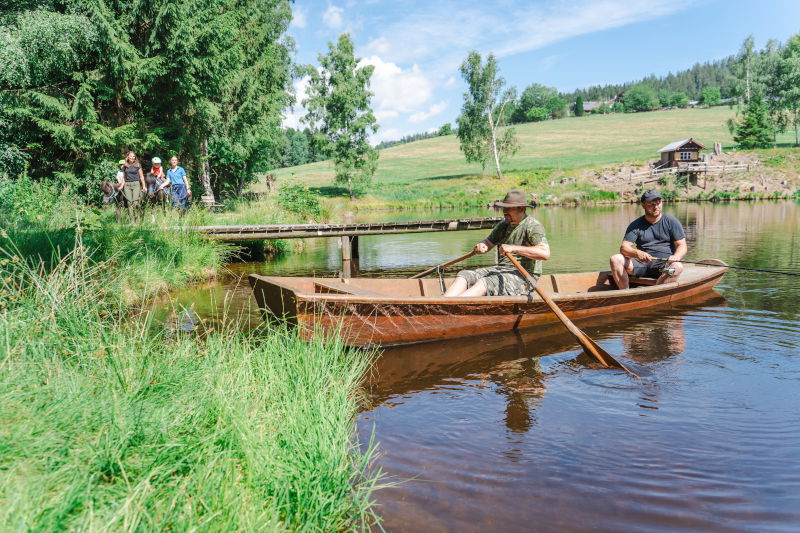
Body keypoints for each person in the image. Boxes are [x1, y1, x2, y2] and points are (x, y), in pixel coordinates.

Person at [444, 189, 550, 297]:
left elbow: (544, 253)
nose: (504, 211)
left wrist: (513, 248)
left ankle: (451, 307)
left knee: (485, 282)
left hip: (525, 277)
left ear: (521, 208)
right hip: (500, 269)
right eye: (503, 208)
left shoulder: (533, 226)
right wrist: (482, 245)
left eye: (508, 208)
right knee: (464, 275)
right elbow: (488, 242)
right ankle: (442, 304)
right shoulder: (503, 225)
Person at [609, 189, 687, 289]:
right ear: (643, 205)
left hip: (664, 267)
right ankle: (625, 293)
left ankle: (656, 294)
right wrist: (637, 253)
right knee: (615, 259)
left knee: (677, 267)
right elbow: (624, 248)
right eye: (651, 204)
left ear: (662, 202)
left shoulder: (671, 221)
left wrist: (676, 256)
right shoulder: (635, 225)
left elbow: (682, 245)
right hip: (642, 266)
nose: (656, 207)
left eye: (658, 203)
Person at [121, 151, 146, 218]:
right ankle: (132, 220)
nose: (132, 157)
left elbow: (141, 176)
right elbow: (123, 177)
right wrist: (121, 186)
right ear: (128, 157)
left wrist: (144, 186)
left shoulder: (138, 165)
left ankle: (137, 216)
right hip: (127, 185)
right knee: (129, 203)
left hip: (136, 184)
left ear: (135, 157)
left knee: (135, 202)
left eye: (133, 156)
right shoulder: (124, 166)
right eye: (131, 156)